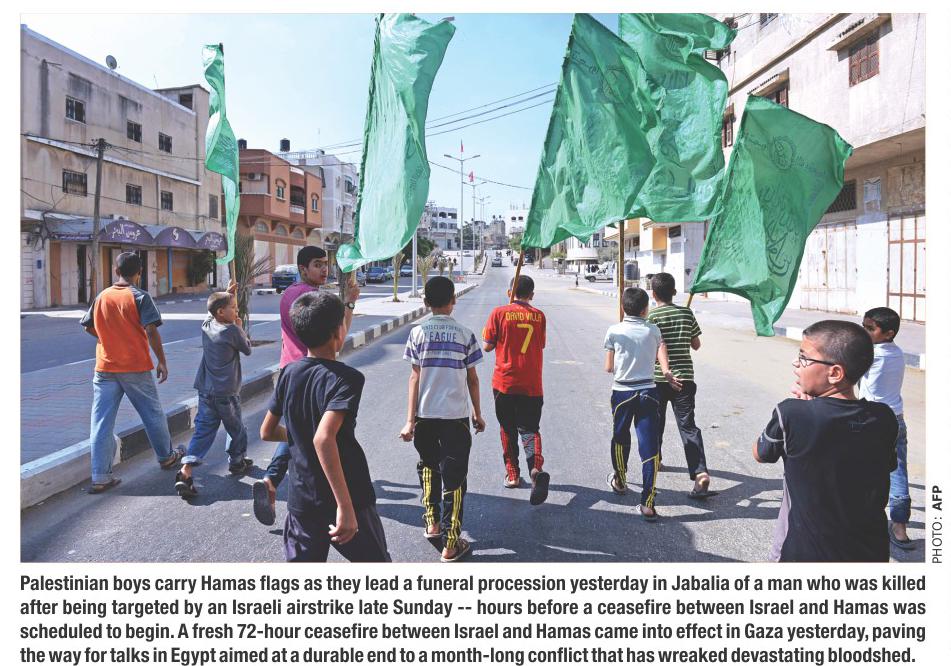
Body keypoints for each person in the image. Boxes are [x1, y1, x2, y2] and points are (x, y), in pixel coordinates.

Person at [259, 291, 390, 562]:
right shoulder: (346, 379)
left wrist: (299, 435)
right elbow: (323, 438)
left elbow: (267, 431)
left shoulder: (289, 373)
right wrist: (345, 507)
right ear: (338, 332)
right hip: (349, 496)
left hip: (303, 498)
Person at [755, 320, 898, 562]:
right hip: (870, 552)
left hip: (805, 554)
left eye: (804, 358)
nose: (796, 364)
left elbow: (760, 453)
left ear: (835, 373)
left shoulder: (791, 413)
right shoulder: (884, 417)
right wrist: (812, 408)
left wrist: (805, 410)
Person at [252, 246, 360, 525]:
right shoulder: (316, 300)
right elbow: (338, 340)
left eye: (325, 263)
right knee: (318, 434)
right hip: (315, 372)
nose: (324, 269)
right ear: (302, 268)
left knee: (298, 429)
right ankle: (331, 495)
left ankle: (272, 479)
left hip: (289, 370)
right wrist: (349, 304)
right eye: (317, 264)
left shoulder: (288, 294)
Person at [80, 251, 183, 493]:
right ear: (140, 272)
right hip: (135, 367)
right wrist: (162, 361)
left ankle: (100, 477)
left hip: (105, 368)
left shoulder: (102, 296)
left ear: (116, 271)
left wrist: (107, 338)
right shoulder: (140, 297)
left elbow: (88, 326)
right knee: (152, 414)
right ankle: (167, 457)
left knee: (101, 422)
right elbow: (151, 331)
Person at [400, 277, 485, 563]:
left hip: (424, 416)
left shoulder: (417, 333)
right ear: (453, 301)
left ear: (425, 303)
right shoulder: (465, 334)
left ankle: (432, 523)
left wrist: (409, 421)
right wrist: (477, 413)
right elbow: (473, 379)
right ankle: (450, 543)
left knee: (428, 467)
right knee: (455, 479)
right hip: (455, 418)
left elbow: (414, 378)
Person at [603, 287, 680, 522]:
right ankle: (648, 503)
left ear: (623, 307)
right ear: (646, 309)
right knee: (649, 446)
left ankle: (620, 480)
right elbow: (660, 350)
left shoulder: (614, 330)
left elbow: (608, 367)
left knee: (620, 438)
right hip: (648, 390)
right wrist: (665, 370)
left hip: (622, 392)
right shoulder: (653, 330)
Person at [174, 283, 253, 499]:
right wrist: (240, 326)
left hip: (205, 391)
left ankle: (186, 470)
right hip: (226, 393)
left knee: (203, 430)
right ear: (221, 312)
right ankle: (236, 461)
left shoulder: (207, 325)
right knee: (236, 428)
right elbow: (247, 349)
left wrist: (228, 294)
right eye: (233, 308)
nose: (237, 310)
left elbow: (209, 313)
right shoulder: (232, 331)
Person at [482, 275, 550, 505]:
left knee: (507, 428)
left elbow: (487, 346)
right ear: (532, 295)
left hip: (505, 383)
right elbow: (540, 344)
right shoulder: (539, 316)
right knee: (530, 429)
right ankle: (536, 469)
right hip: (531, 383)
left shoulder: (499, 313)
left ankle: (512, 474)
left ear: (509, 292)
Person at [647, 273, 711, 497]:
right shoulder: (686, 313)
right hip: (685, 379)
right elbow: (696, 344)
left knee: (656, 423)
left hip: (658, 378)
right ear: (674, 292)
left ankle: (655, 460)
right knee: (688, 426)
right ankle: (700, 473)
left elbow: (650, 347)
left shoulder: (652, 316)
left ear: (653, 294)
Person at [859, 307, 913, 550]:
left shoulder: (872, 355)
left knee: (860, 469)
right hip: (896, 419)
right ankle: (899, 528)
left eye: (870, 329)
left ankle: (861, 519)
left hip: (871, 419)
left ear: (889, 333)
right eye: (863, 326)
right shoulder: (897, 353)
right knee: (898, 472)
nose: (865, 332)